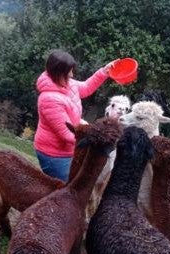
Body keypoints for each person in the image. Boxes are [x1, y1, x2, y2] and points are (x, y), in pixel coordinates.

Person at [34, 49, 117, 182]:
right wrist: (95, 137)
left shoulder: (67, 83)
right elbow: (67, 135)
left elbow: (86, 87)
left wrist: (104, 72)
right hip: (55, 154)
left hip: (70, 149)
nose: (72, 75)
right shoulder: (49, 99)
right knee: (64, 191)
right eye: (69, 72)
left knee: (73, 189)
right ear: (58, 73)